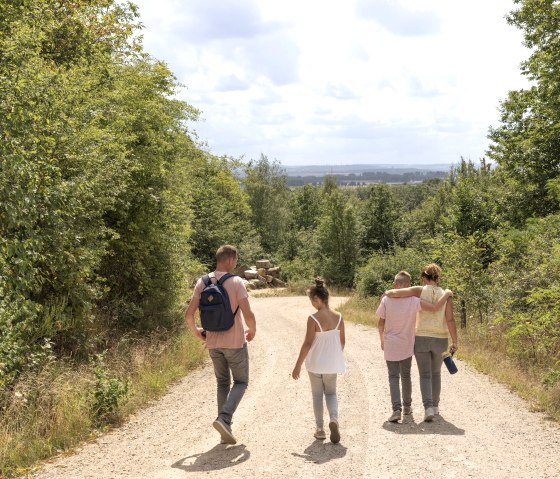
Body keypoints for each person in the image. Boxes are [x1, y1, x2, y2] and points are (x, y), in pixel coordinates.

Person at [184, 245, 257, 445]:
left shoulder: (202, 282)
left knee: (222, 383)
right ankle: (224, 419)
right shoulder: (236, 282)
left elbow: (189, 315)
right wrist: (253, 329)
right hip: (234, 342)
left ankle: (225, 428)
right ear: (231, 259)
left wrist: (198, 332)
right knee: (241, 382)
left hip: (213, 343)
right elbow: (247, 313)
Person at [384, 263, 458, 422]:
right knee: (436, 373)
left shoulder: (419, 290)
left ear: (425, 277)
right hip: (441, 339)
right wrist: (455, 341)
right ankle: (436, 407)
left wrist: (388, 292)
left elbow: (394, 293)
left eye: (422, 279)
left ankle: (428, 408)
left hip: (422, 338)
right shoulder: (446, 294)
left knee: (425, 375)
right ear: (437, 278)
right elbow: (450, 319)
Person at [292, 278, 345, 444]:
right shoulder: (339, 317)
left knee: (317, 395)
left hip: (315, 364)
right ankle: (334, 419)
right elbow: (342, 342)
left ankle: (320, 429)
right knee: (331, 393)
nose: (312, 304)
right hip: (332, 364)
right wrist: (334, 356)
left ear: (317, 299)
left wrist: (298, 365)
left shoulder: (313, 319)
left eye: (312, 300)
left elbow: (307, 343)